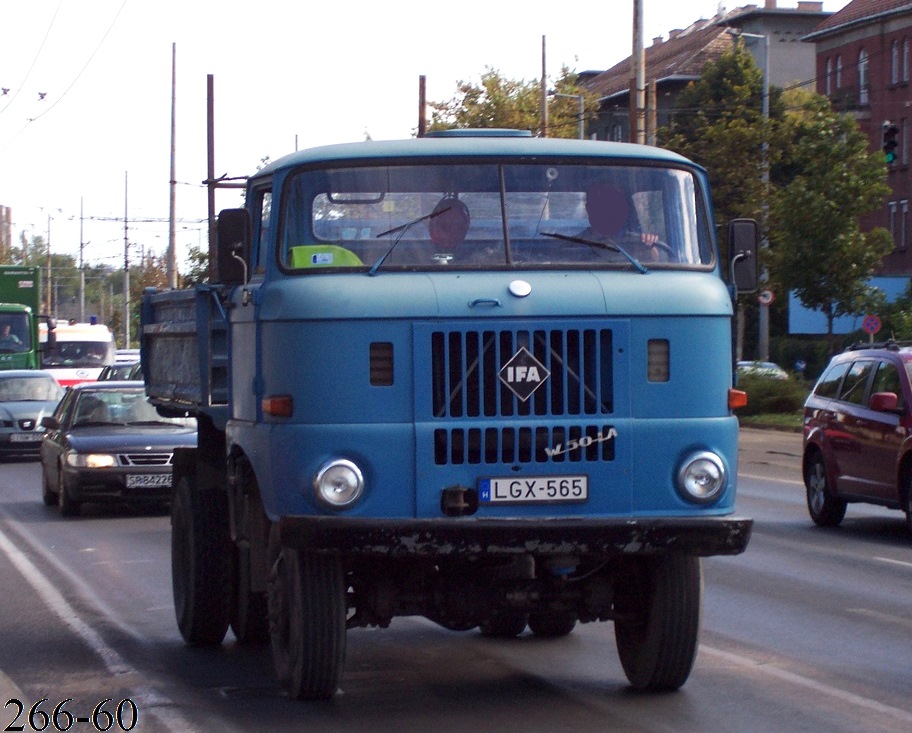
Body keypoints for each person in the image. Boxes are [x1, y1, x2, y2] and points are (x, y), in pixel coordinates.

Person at [579, 183, 663, 261]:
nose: (608, 212)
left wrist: (649, 245)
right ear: (588, 208)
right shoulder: (574, 243)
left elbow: (654, 265)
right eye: (600, 206)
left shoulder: (634, 240)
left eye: (613, 206)